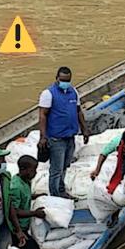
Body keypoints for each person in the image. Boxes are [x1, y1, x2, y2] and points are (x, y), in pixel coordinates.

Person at [38, 66, 89, 198]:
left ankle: (61, 190)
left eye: (68, 80)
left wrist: (84, 129)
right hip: (56, 138)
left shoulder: (73, 92)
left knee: (65, 166)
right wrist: (43, 137)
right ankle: (55, 195)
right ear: (57, 79)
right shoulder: (48, 94)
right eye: (62, 80)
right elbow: (43, 115)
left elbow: (78, 111)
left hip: (70, 137)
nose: (65, 82)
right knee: (56, 169)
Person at [10, 155, 46, 249]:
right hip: (16, 229)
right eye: (33, 170)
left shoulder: (26, 181)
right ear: (23, 169)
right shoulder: (15, 187)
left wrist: (36, 196)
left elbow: (24, 196)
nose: (35, 173)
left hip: (24, 226)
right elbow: (14, 211)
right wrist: (35, 213)